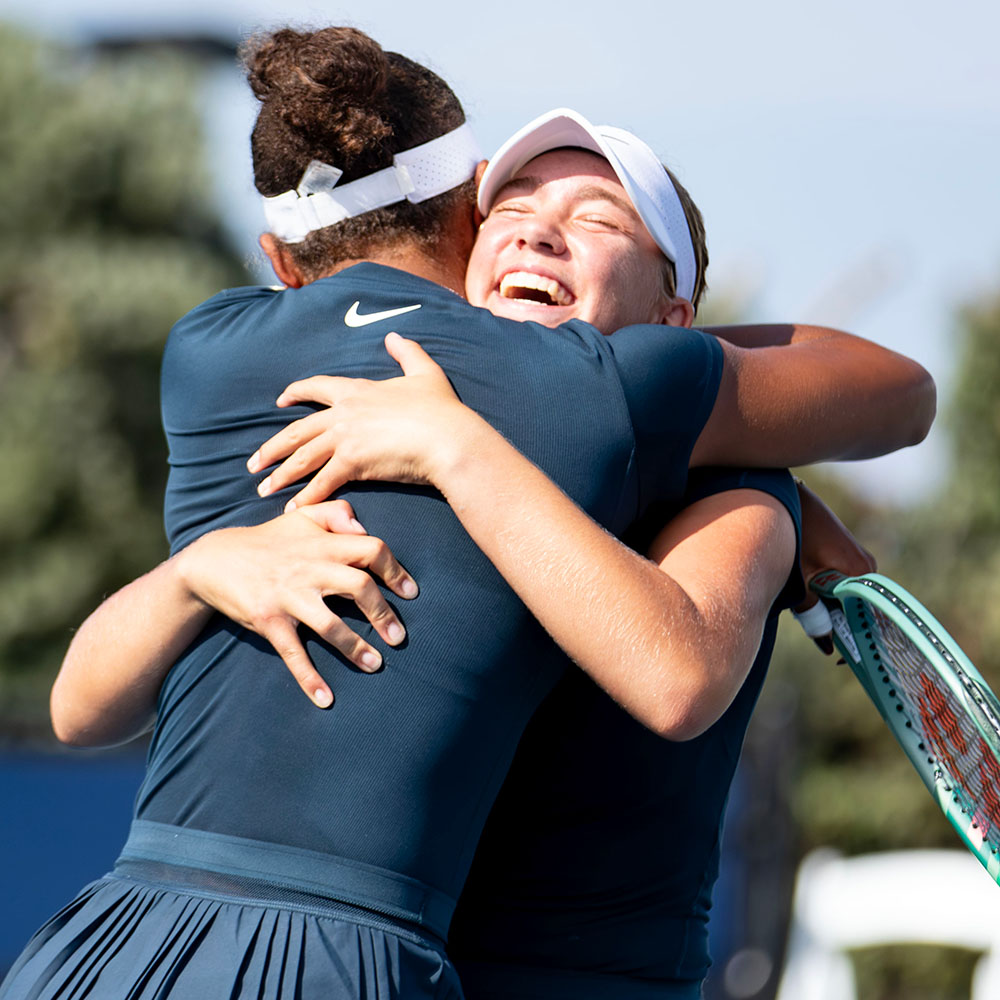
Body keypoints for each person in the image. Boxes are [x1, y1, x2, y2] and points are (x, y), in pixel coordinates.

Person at [2, 28, 931, 1000]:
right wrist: (200, 566)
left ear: (674, 317)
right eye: (511, 208)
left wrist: (463, 442)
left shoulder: (212, 344)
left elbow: (677, 670)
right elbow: (887, 391)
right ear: (461, 241)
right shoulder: (583, 392)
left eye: (602, 220)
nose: (536, 228)